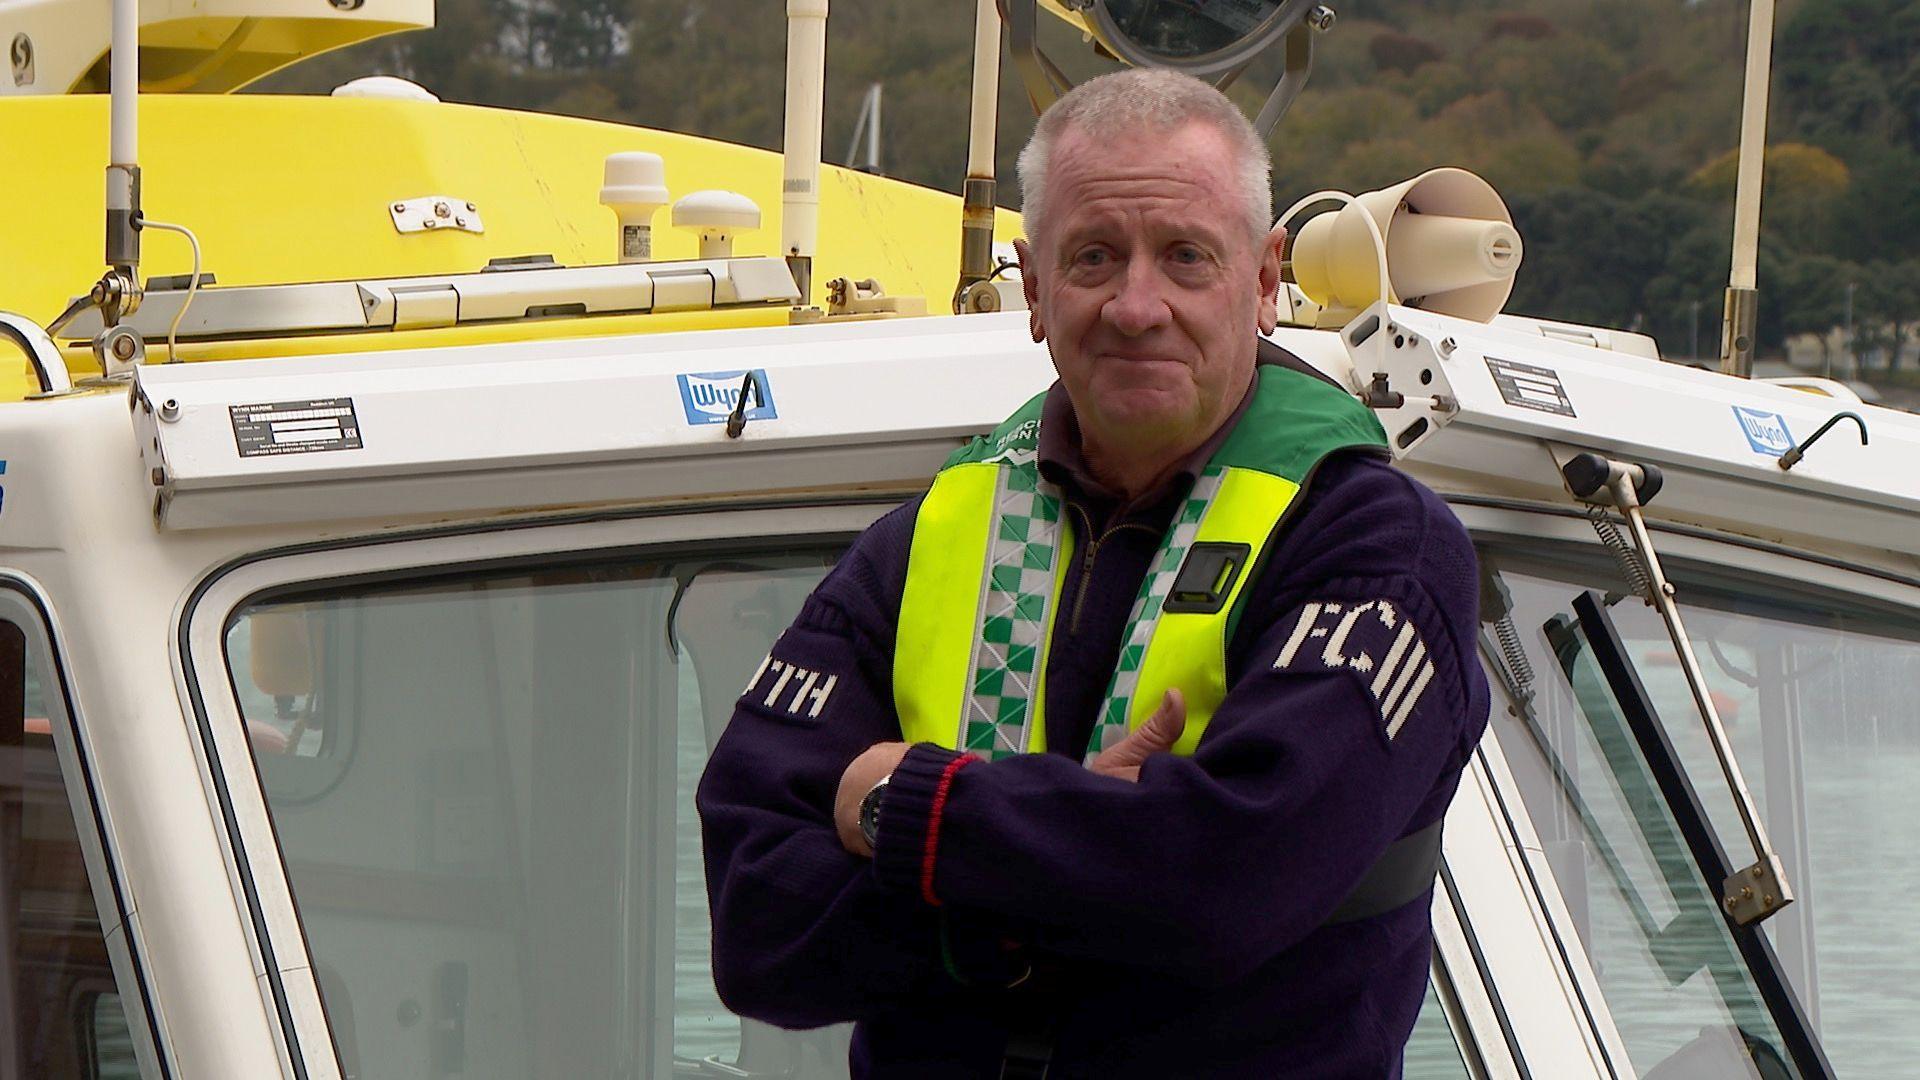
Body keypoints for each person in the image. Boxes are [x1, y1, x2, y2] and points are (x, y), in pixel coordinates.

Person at [698, 67, 1490, 1078]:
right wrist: (1063, 867)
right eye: (1095, 258)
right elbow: (757, 927)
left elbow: (1221, 887)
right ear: (1034, 291)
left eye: (1187, 258)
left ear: (1263, 281)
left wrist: (906, 806)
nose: (1136, 305)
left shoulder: (1378, 551)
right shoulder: (923, 540)